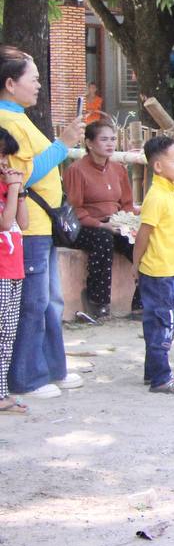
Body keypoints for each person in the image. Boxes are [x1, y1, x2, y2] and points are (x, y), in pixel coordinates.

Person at [1, 45, 84, 400]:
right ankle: (27, 377)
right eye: (33, 79)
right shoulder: (7, 121)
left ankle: (52, 367)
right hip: (29, 225)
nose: (38, 86)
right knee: (33, 303)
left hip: (41, 224)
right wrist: (63, 144)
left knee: (49, 301)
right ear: (10, 83)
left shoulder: (18, 117)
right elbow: (23, 176)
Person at [64, 119, 140, 318]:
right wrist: (101, 225)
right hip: (86, 226)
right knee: (103, 239)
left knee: (143, 241)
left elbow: (127, 204)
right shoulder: (76, 170)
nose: (110, 144)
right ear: (89, 143)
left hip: (116, 223)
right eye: (104, 139)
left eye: (113, 139)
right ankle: (98, 302)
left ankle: (142, 303)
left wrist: (128, 223)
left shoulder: (119, 169)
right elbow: (75, 209)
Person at [133, 135, 174, 394]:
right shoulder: (156, 196)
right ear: (158, 166)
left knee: (158, 323)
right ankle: (161, 378)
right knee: (163, 324)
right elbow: (143, 235)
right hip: (157, 273)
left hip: (166, 270)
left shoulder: (168, 192)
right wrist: (136, 264)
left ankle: (152, 371)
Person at [0, 129, 29, 412]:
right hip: (1, 270)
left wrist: (19, 192)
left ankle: (1, 392)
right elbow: (5, 223)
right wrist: (12, 190)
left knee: (7, 335)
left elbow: (24, 222)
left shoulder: (6, 186)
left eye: (6, 156)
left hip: (13, 268)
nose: (4, 162)